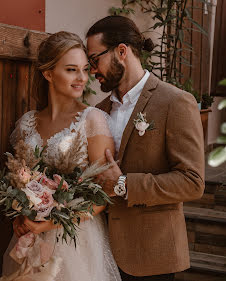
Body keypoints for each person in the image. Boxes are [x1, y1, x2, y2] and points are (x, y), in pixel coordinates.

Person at [86, 15, 205, 281]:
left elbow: (192, 182)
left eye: (95, 60)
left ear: (121, 51)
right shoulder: (98, 111)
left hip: (151, 256)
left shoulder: (175, 102)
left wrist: (124, 184)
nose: (93, 70)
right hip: (100, 253)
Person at [2, 31, 122, 281]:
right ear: (48, 74)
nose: (82, 78)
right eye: (71, 70)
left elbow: (103, 196)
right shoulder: (26, 123)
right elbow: (19, 182)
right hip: (29, 238)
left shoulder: (92, 121)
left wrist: (48, 224)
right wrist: (22, 215)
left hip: (77, 241)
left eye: (85, 69)